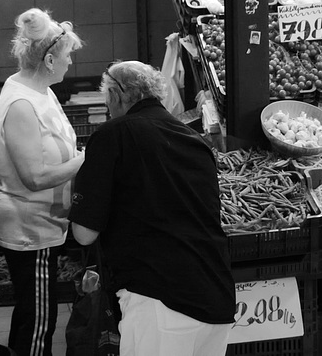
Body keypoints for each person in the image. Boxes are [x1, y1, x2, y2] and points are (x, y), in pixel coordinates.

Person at [68, 60, 235, 356]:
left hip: (160, 301)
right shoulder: (195, 141)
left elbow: (84, 234)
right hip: (216, 298)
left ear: (115, 96)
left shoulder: (112, 136)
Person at [0, 8, 85, 356]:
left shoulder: (41, 91)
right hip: (30, 226)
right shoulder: (21, 105)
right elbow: (34, 178)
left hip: (45, 221)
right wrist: (84, 161)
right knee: (39, 321)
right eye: (66, 56)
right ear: (48, 59)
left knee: (33, 314)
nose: (69, 63)